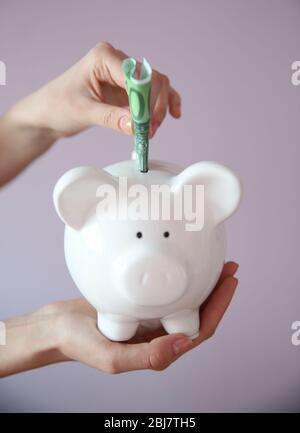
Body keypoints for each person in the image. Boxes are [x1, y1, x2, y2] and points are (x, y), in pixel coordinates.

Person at [0, 42, 239, 376]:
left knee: (178, 314)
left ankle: (174, 313)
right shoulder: (95, 198)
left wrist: (34, 119)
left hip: (185, 294)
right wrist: (44, 333)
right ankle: (120, 317)